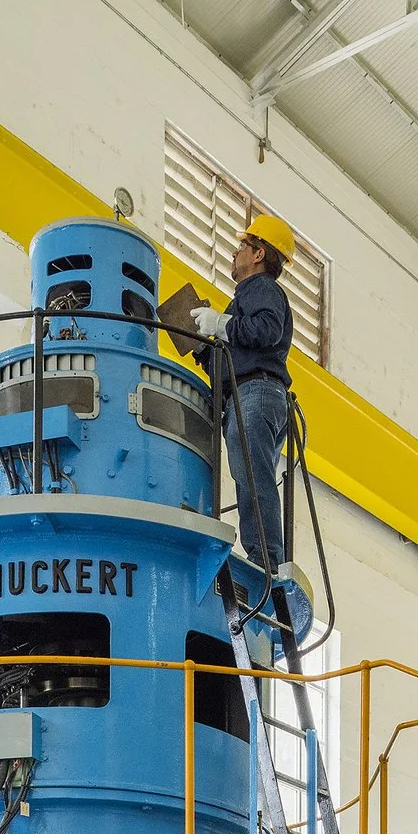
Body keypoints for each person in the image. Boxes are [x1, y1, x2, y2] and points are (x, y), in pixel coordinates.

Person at [185, 213, 296, 577]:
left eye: (241, 247)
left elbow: (264, 330)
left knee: (252, 473)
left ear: (259, 253)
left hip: (256, 391)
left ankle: (266, 559)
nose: (235, 254)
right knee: (249, 474)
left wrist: (221, 324)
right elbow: (237, 353)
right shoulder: (245, 298)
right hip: (247, 393)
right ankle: (264, 555)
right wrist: (204, 346)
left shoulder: (261, 289)